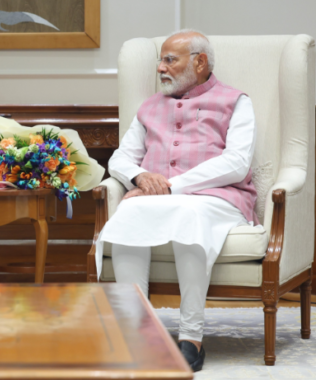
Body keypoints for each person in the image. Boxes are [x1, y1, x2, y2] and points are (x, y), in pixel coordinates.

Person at [94, 29, 262, 372]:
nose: (160, 68)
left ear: (199, 62)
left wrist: (174, 186)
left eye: (170, 60)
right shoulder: (149, 107)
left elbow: (237, 163)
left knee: (189, 214)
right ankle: (136, 334)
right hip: (153, 196)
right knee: (129, 212)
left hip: (216, 198)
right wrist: (140, 177)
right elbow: (120, 159)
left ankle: (191, 338)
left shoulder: (236, 101)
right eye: (161, 60)